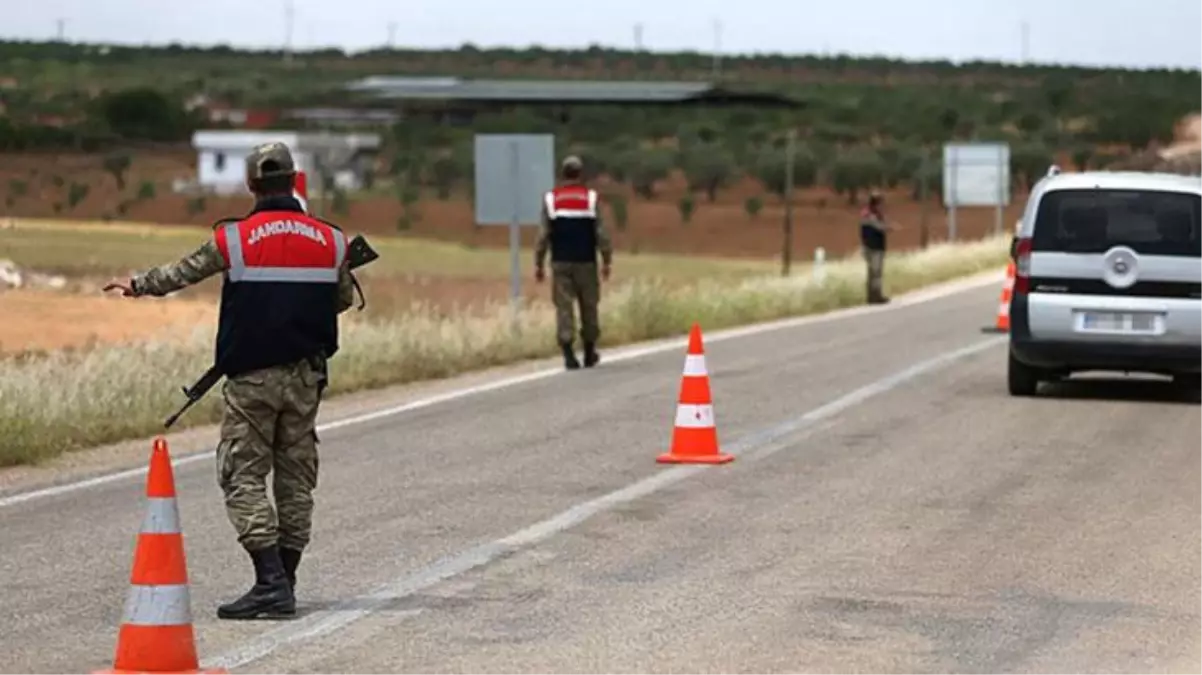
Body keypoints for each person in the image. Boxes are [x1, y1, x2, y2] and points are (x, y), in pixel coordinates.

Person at [103, 142, 356, 620]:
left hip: (252, 378)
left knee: (242, 474)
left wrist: (138, 284)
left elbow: (182, 272)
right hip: (307, 378)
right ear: (293, 179)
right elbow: (340, 300)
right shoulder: (332, 240)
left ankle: (270, 583)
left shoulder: (234, 239)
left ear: (252, 184)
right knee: (296, 477)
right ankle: (286, 579)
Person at [534, 155, 614, 370]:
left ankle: (569, 354)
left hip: (560, 261)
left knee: (564, 307)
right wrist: (606, 260)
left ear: (563, 173)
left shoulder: (551, 199)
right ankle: (589, 351)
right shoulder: (590, 198)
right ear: (580, 174)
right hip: (586, 261)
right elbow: (601, 233)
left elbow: (543, 234)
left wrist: (539, 263)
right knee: (589, 305)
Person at [859, 190, 898, 304]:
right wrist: (890, 227)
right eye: (881, 203)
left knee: (873, 272)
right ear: (875, 203)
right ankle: (875, 296)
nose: (882, 205)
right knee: (875, 272)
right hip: (873, 247)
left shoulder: (875, 214)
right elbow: (879, 227)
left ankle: (873, 296)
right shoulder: (869, 215)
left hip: (875, 246)